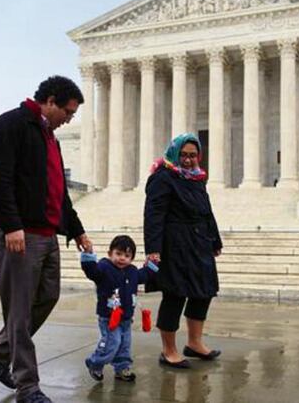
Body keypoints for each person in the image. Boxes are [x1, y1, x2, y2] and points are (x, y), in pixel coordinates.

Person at [0, 75, 93, 403]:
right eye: (68, 112)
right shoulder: (11, 124)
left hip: (47, 233)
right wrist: (12, 225)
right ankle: (27, 386)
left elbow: (59, 192)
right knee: (19, 310)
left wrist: (77, 229)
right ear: (51, 101)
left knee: (48, 296)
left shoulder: (50, 139)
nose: (69, 119)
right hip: (19, 234)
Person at [143, 133, 223, 369]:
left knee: (204, 291)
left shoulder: (197, 178)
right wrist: (153, 249)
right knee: (175, 294)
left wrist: (215, 240)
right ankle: (168, 350)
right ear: (175, 153)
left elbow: (206, 210)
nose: (188, 160)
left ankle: (194, 343)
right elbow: (153, 215)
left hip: (199, 243)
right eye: (184, 155)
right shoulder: (163, 177)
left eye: (193, 155)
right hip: (175, 244)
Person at [80, 235, 158, 382]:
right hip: (109, 317)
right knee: (112, 343)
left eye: (127, 256)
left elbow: (145, 274)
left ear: (132, 258)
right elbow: (91, 271)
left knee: (124, 345)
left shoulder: (133, 271)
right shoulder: (103, 267)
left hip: (126, 318)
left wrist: (152, 263)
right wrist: (88, 254)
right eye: (119, 254)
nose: (122, 258)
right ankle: (95, 362)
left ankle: (121, 368)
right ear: (110, 254)